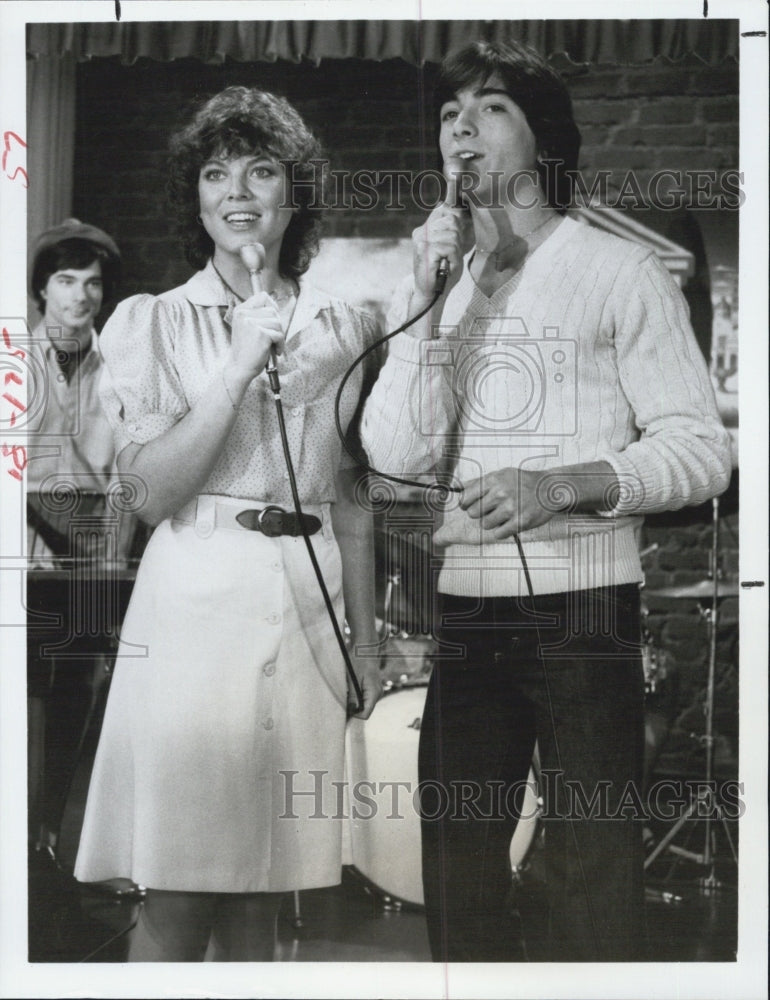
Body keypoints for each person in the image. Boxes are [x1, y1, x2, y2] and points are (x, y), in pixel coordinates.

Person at [361, 40, 732, 962]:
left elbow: (701, 452)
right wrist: (423, 300)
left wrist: (559, 485)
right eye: (450, 116)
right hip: (468, 610)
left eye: (489, 110)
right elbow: (394, 456)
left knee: (591, 866)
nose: (461, 130)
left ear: (542, 140)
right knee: (457, 861)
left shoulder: (617, 271)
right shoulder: (435, 289)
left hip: (584, 612)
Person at [73, 86, 382, 961]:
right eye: (215, 173)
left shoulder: (347, 324)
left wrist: (365, 638)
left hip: (309, 614)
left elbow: (351, 492)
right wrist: (239, 363)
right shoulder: (152, 320)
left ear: (296, 193)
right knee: (180, 891)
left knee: (268, 899)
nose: (237, 189)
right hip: (193, 612)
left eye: (261, 169)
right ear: (195, 197)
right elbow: (146, 494)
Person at [26, 220, 131, 869]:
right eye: (66, 280)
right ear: (42, 290)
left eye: (92, 283)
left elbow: (130, 475)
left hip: (91, 559)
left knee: (79, 698)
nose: (80, 295)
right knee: (26, 696)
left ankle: (48, 838)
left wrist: (113, 552)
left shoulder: (119, 368)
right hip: (25, 554)